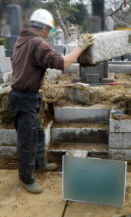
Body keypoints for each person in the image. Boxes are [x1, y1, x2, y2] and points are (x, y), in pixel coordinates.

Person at [8, 8, 94, 193]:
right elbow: (62, 63)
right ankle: (26, 178)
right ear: (44, 27)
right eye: (50, 29)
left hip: (24, 96)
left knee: (37, 132)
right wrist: (81, 46)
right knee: (27, 140)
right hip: (24, 98)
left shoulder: (22, 40)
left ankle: (39, 163)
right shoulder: (37, 42)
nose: (49, 33)